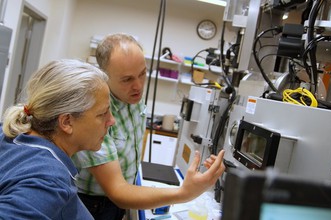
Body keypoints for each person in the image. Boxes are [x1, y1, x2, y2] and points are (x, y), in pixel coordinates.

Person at [73, 33, 226, 220]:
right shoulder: (96, 113)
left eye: (142, 74)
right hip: (95, 206)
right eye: (127, 79)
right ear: (104, 76)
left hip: (121, 200)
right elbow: (118, 192)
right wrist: (184, 193)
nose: (138, 85)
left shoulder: (133, 96)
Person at [0, 59, 115, 219]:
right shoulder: (49, 180)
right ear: (67, 122)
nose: (111, 121)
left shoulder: (9, 133)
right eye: (103, 114)